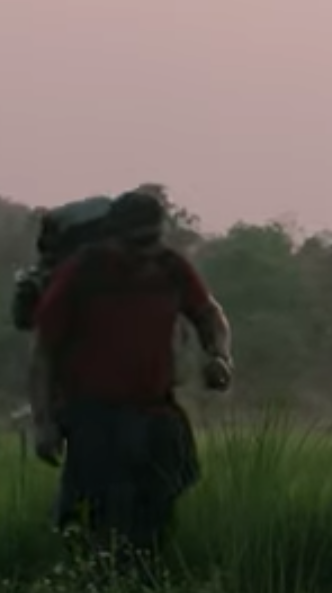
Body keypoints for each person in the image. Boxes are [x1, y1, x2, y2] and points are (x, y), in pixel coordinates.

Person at [26, 190, 234, 569]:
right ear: (112, 236)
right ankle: (93, 585)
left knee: (157, 511)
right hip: (94, 416)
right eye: (135, 243)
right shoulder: (81, 274)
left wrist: (218, 356)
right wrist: (43, 423)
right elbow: (44, 352)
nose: (145, 252)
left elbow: (209, 315)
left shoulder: (170, 268)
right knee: (94, 515)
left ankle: (144, 583)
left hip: (155, 412)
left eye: (152, 241)